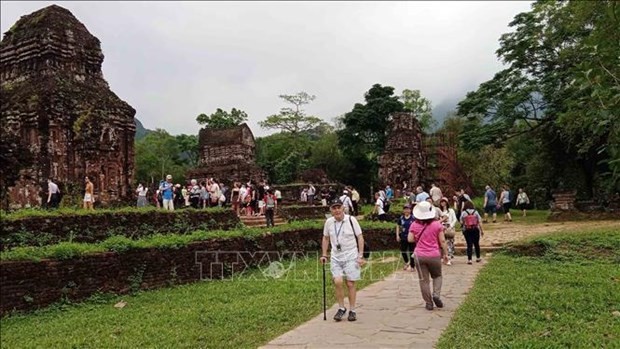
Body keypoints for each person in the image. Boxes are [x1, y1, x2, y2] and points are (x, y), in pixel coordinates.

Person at [320, 200, 366, 322]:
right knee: (338, 281)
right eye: (334, 208)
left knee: (350, 283)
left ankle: (352, 310)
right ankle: (341, 308)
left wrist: (360, 256)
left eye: (338, 207)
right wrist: (324, 254)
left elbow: (360, 237)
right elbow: (325, 238)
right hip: (336, 257)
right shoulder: (329, 222)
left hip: (351, 255)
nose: (336, 210)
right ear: (331, 210)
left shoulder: (351, 220)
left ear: (343, 208)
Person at [408, 201, 449, 311]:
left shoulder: (414, 224)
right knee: (437, 276)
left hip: (419, 255)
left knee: (423, 280)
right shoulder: (437, 225)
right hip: (434, 255)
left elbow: (410, 239)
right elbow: (443, 241)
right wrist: (445, 254)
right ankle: (436, 294)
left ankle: (429, 303)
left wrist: (418, 237)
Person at [396, 204, 416, 271]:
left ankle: (412, 266)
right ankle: (407, 262)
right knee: (403, 250)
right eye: (405, 209)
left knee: (411, 251)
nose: (406, 210)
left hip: (412, 238)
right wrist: (397, 235)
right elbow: (398, 226)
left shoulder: (413, 218)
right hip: (403, 237)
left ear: (410, 210)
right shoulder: (401, 218)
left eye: (408, 209)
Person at [439, 197, 457, 265]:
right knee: (442, 243)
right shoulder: (440, 211)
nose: (443, 203)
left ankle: (448, 257)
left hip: (449, 227)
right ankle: (443, 257)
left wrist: (450, 226)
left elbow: (454, 219)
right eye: (442, 202)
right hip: (441, 228)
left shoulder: (451, 211)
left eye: (444, 202)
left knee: (449, 243)